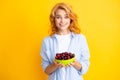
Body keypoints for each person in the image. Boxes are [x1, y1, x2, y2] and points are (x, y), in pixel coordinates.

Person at [40, 2, 90, 80]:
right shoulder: (47, 41)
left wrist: (74, 63)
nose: (62, 21)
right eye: (58, 17)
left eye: (66, 17)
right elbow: (46, 71)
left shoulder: (80, 39)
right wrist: (55, 65)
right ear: (54, 19)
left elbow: (85, 68)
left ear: (71, 19)